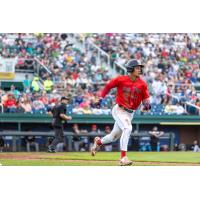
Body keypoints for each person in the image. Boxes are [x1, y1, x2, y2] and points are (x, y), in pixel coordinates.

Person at [90, 59, 151, 166]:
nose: (139, 69)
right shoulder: (121, 79)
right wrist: (101, 98)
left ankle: (98, 142)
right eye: (137, 68)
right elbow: (108, 86)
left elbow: (146, 99)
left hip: (130, 113)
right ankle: (123, 158)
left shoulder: (142, 84)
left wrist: (147, 104)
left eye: (140, 68)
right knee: (128, 128)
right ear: (130, 69)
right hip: (120, 109)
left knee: (113, 137)